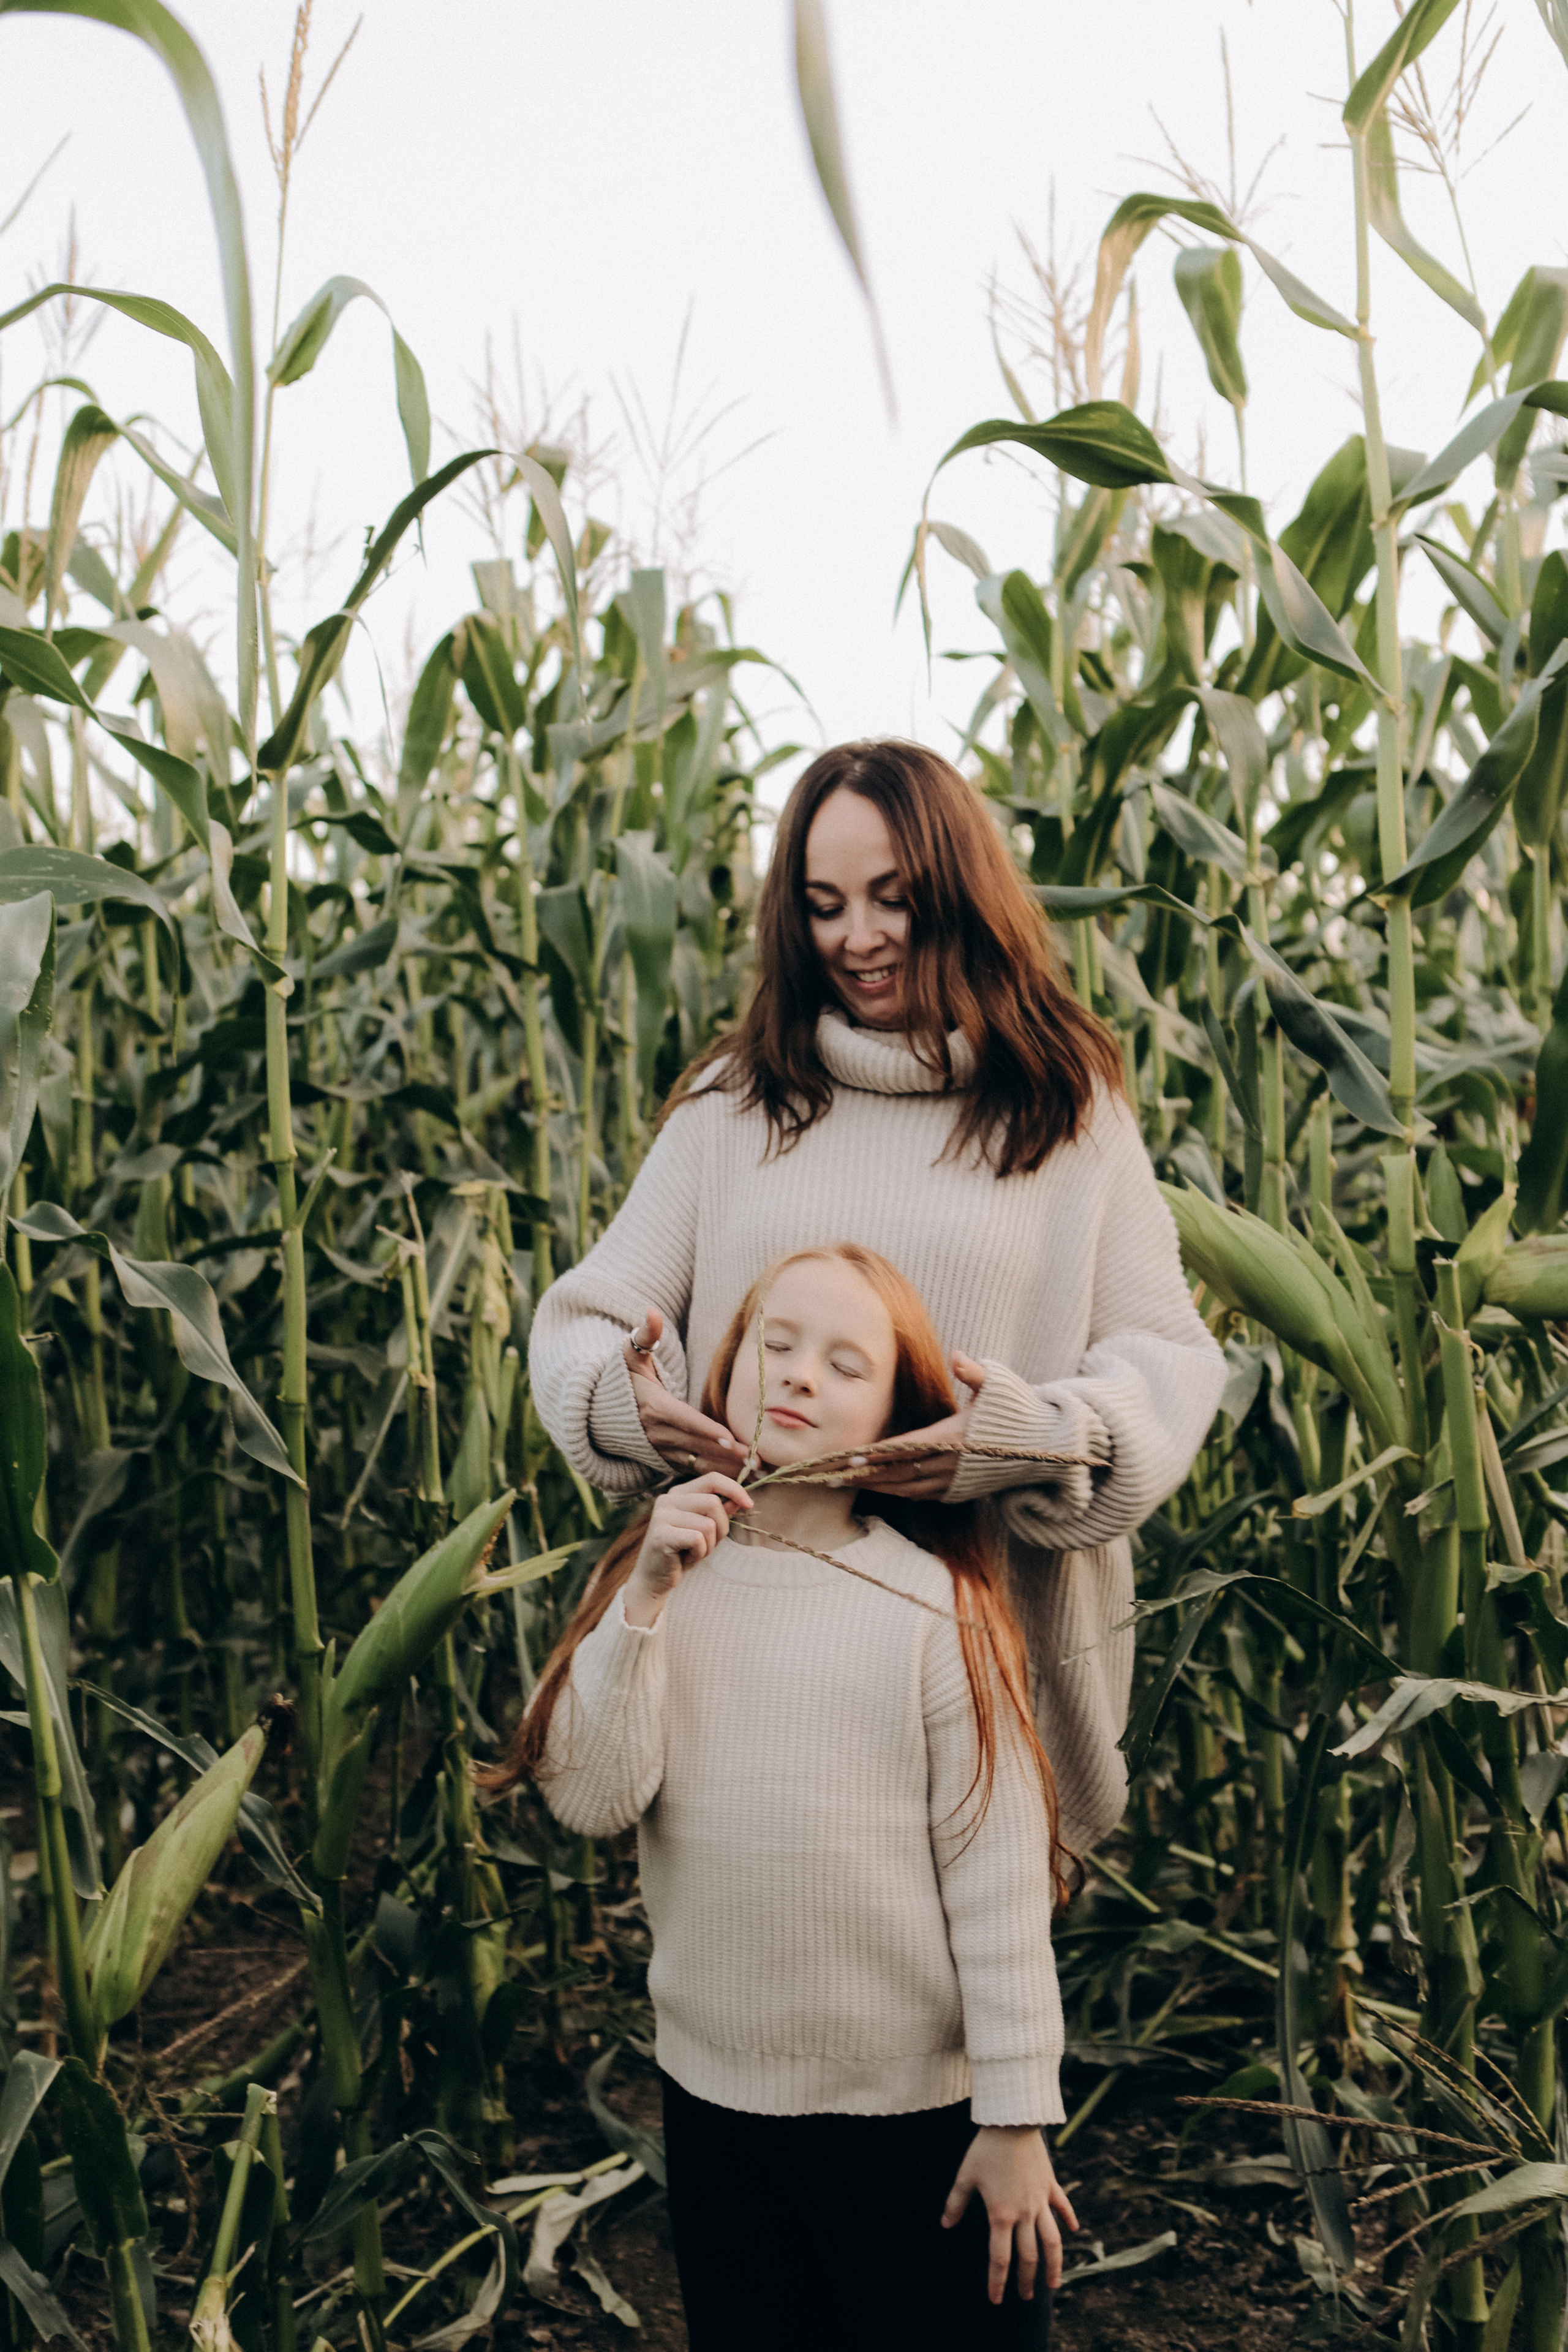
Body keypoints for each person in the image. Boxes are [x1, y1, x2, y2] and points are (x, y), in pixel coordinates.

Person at [529, 739, 1226, 1856]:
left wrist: (1018, 1440)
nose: (857, 938)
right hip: (756, 1641)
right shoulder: (737, 1101)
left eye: (893, 899)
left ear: (959, 891)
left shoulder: (1063, 1108)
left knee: (970, 1990)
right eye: (823, 905)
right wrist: (623, 1406)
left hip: (985, 1635)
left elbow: (1168, 1360)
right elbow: (588, 1319)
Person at [486, 1244, 1079, 2348]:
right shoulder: (665, 1578)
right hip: (719, 2103)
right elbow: (590, 1800)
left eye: (846, 1364)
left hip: (918, 2115)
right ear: (726, 1370)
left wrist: (1013, 2116)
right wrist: (649, 1595)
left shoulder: (933, 1609)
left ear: (900, 1415)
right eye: (779, 1343)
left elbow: (999, 1876)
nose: (801, 1375)